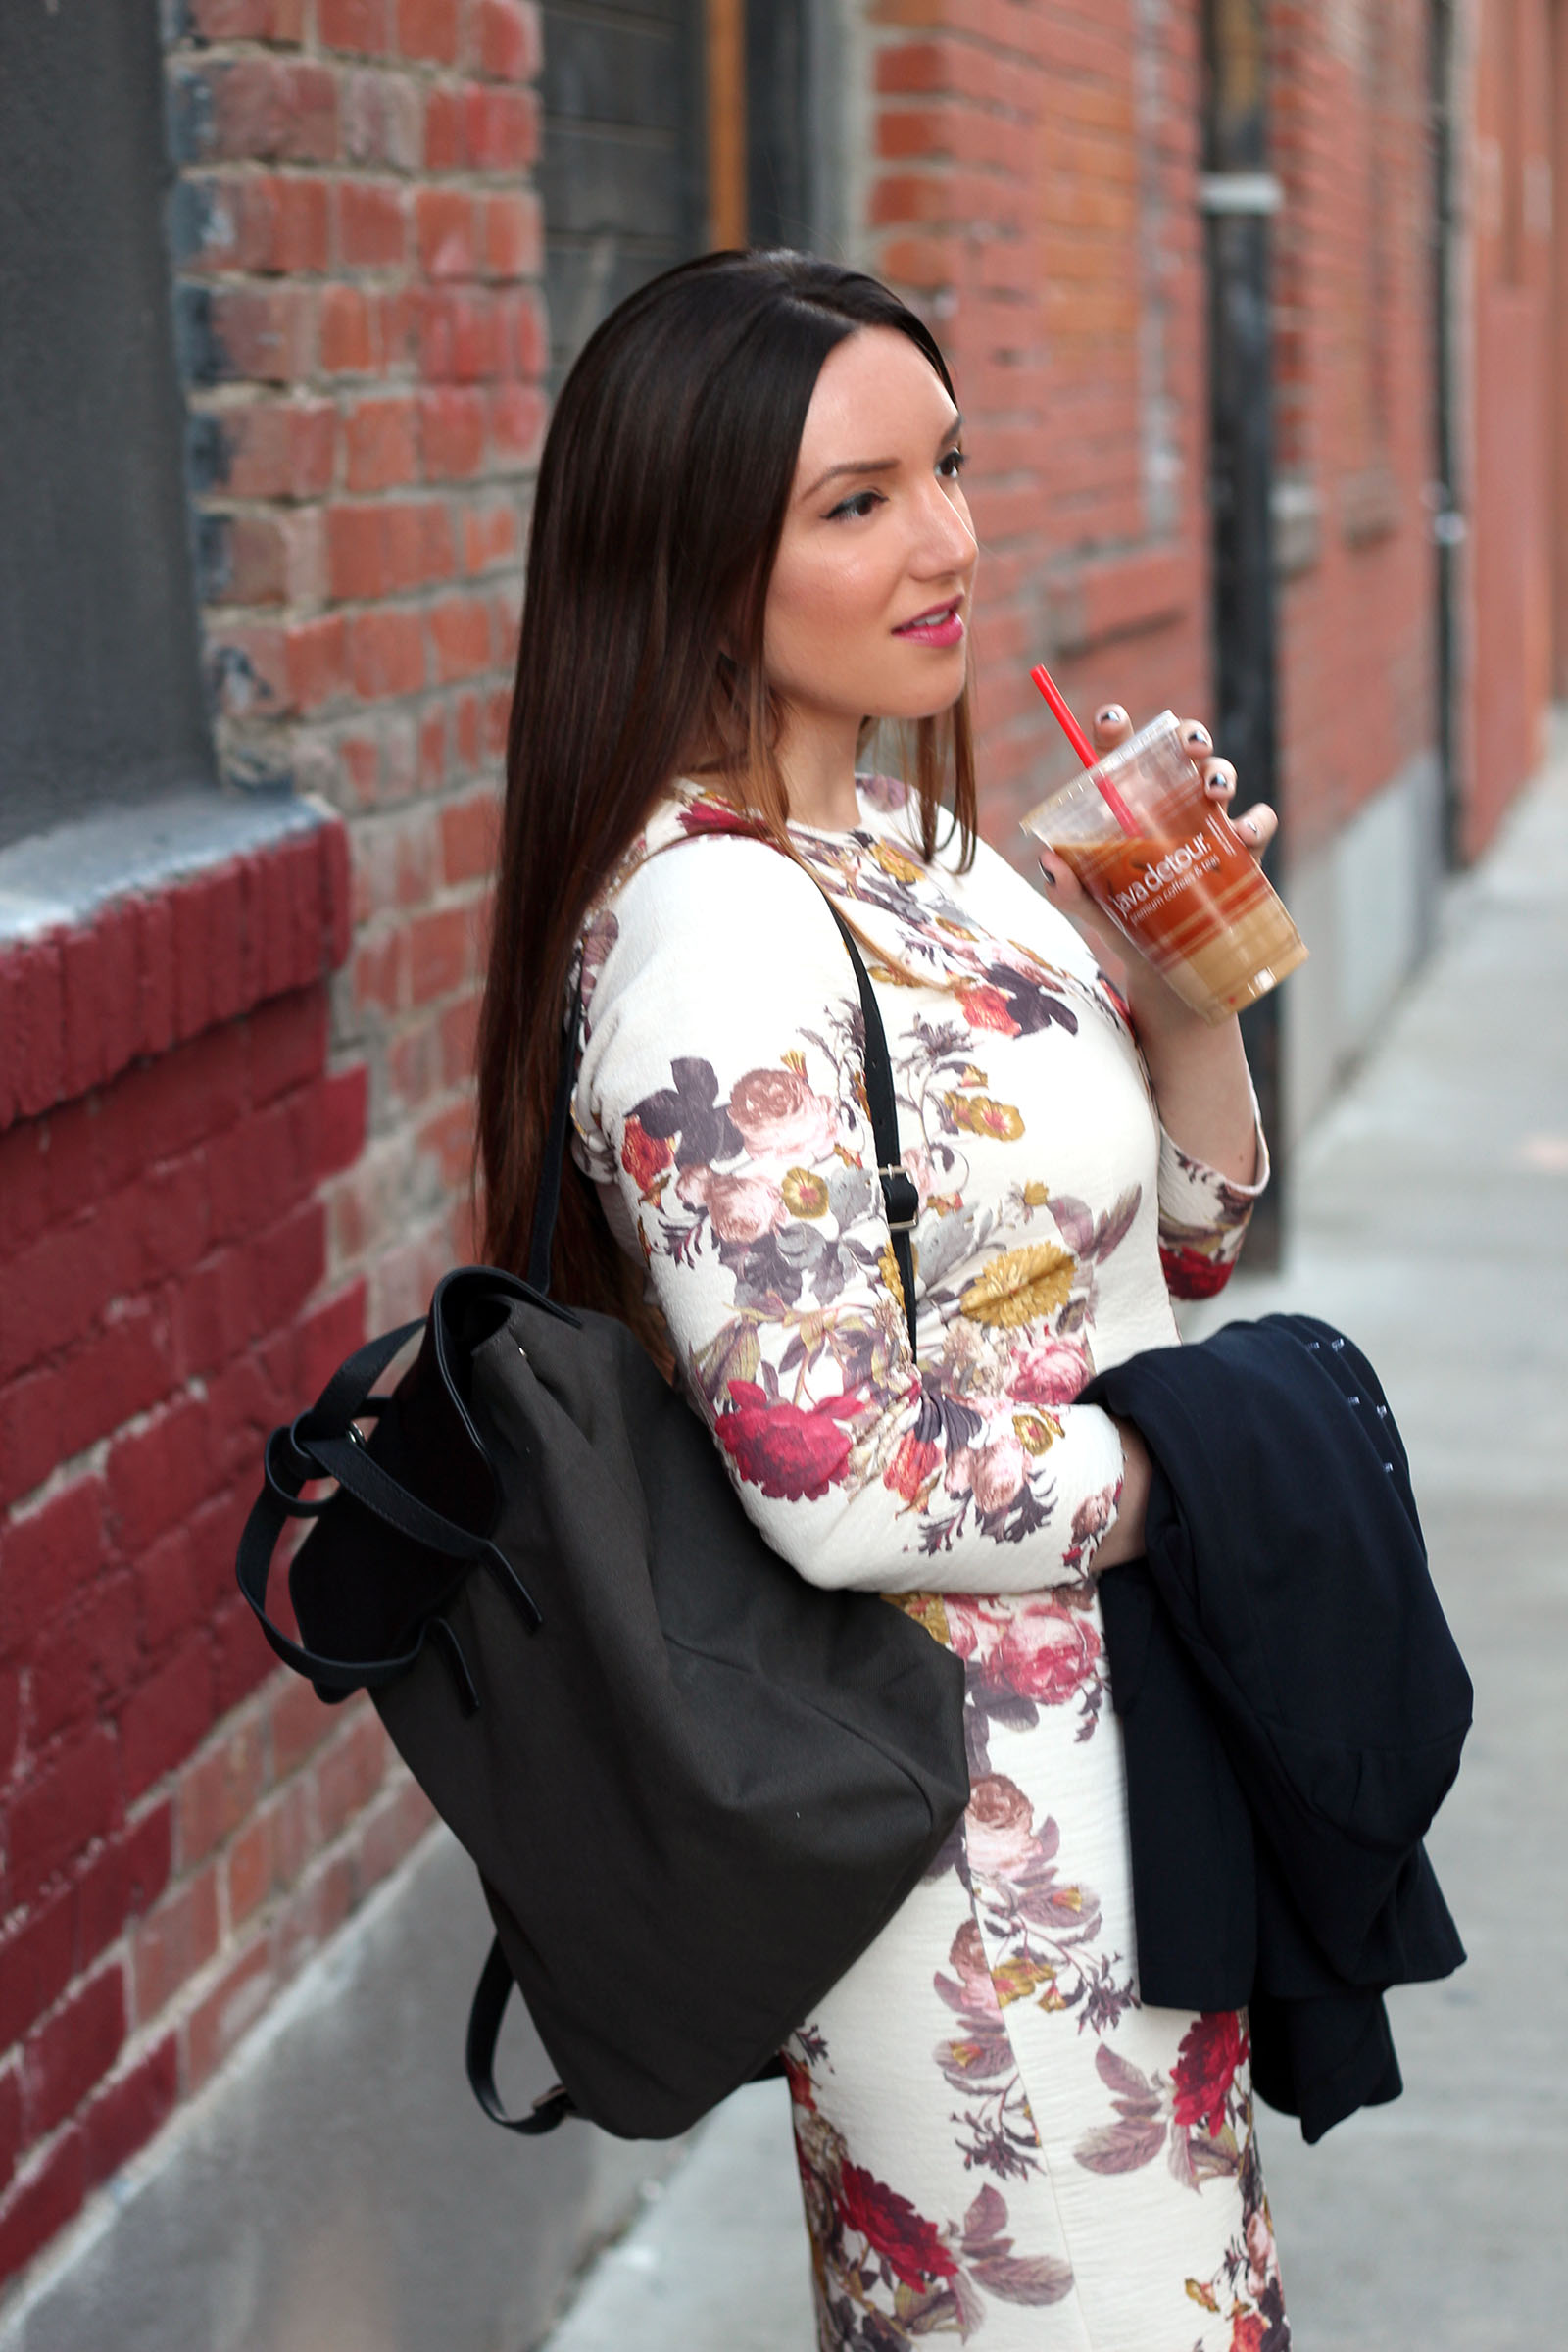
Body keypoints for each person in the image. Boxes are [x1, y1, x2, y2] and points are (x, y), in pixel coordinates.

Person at [477, 250, 1290, 2352]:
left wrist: (1184, 989)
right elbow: (835, 1475)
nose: (947, 542)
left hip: (1125, 1766)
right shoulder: (714, 941)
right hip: (970, 1842)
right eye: (857, 502)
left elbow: (1181, 1237)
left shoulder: (926, 855)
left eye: (948, 467)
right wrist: (1210, 1478)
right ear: (689, 559)